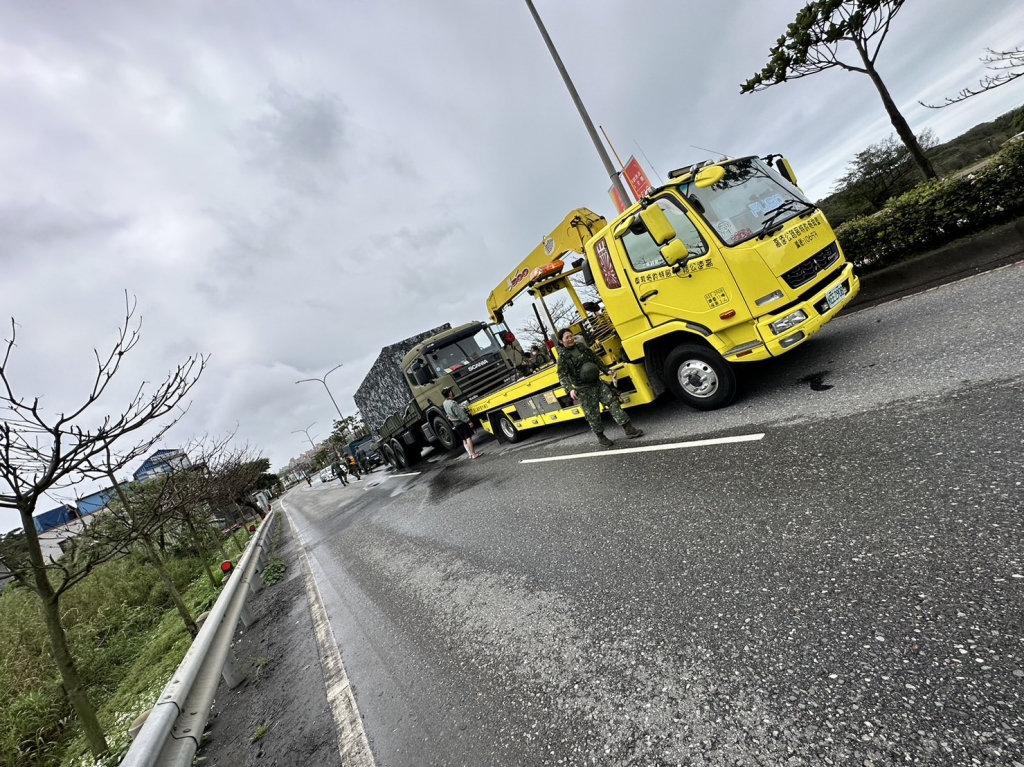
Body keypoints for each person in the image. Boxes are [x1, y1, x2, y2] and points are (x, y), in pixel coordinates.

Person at [556, 327, 643, 448]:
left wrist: (607, 370)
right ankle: (601, 437)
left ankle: (629, 429)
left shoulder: (582, 348)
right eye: (567, 338)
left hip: (597, 383)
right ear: (561, 341)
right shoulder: (563, 358)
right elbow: (562, 375)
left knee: (613, 402)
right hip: (583, 389)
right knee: (593, 414)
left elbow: (595, 360)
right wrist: (569, 389)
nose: (570, 339)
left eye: (571, 336)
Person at [442, 386, 482, 459]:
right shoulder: (452, 403)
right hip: (461, 423)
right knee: (468, 438)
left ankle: (470, 454)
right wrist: (469, 421)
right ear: (449, 393)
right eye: (451, 391)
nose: (452, 392)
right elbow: (460, 414)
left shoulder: (445, 403)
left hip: (455, 424)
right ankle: (474, 454)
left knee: (464, 439)